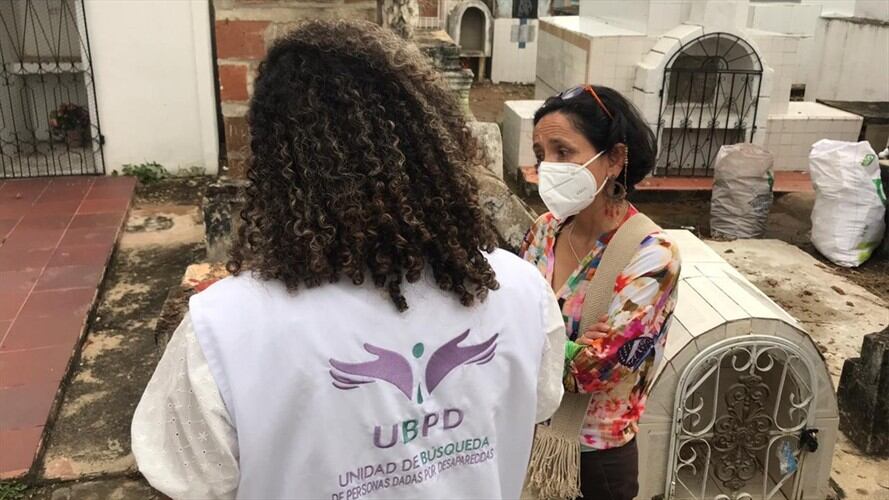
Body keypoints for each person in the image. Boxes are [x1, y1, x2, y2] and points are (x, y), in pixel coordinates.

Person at [131, 20, 565, 500]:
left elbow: (191, 480)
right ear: (434, 138)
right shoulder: (521, 294)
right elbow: (539, 404)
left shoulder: (223, 332)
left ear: (275, 162)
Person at [519, 84, 681, 500]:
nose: (548, 167)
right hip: (524, 436)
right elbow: (504, 320)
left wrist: (529, 342)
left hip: (595, 462)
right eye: (541, 155)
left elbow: (595, 370)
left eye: (563, 151)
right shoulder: (544, 232)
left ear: (614, 158)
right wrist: (569, 345)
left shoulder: (652, 255)